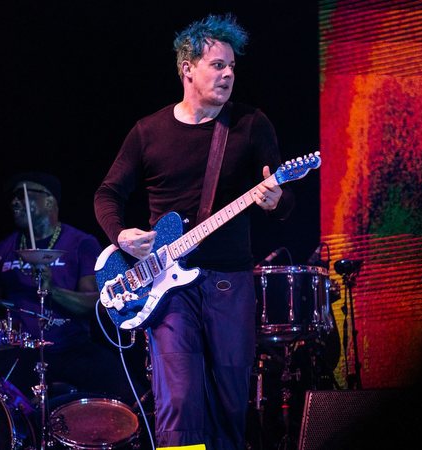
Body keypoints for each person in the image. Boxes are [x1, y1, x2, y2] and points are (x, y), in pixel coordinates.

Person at [94, 13, 295, 450]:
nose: (228, 74)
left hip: (229, 281)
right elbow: (107, 194)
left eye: (232, 67)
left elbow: (283, 202)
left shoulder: (250, 124)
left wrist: (278, 200)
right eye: (217, 65)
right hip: (167, 287)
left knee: (230, 400)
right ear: (187, 69)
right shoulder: (148, 132)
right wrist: (121, 236)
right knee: (179, 401)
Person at [0, 172, 144, 416]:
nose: (14, 202)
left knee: (132, 397)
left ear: (49, 201)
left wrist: (53, 291)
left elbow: (93, 302)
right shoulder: (4, 249)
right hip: (21, 351)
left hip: (71, 348)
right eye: (12, 197)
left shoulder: (80, 243)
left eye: (22, 196)